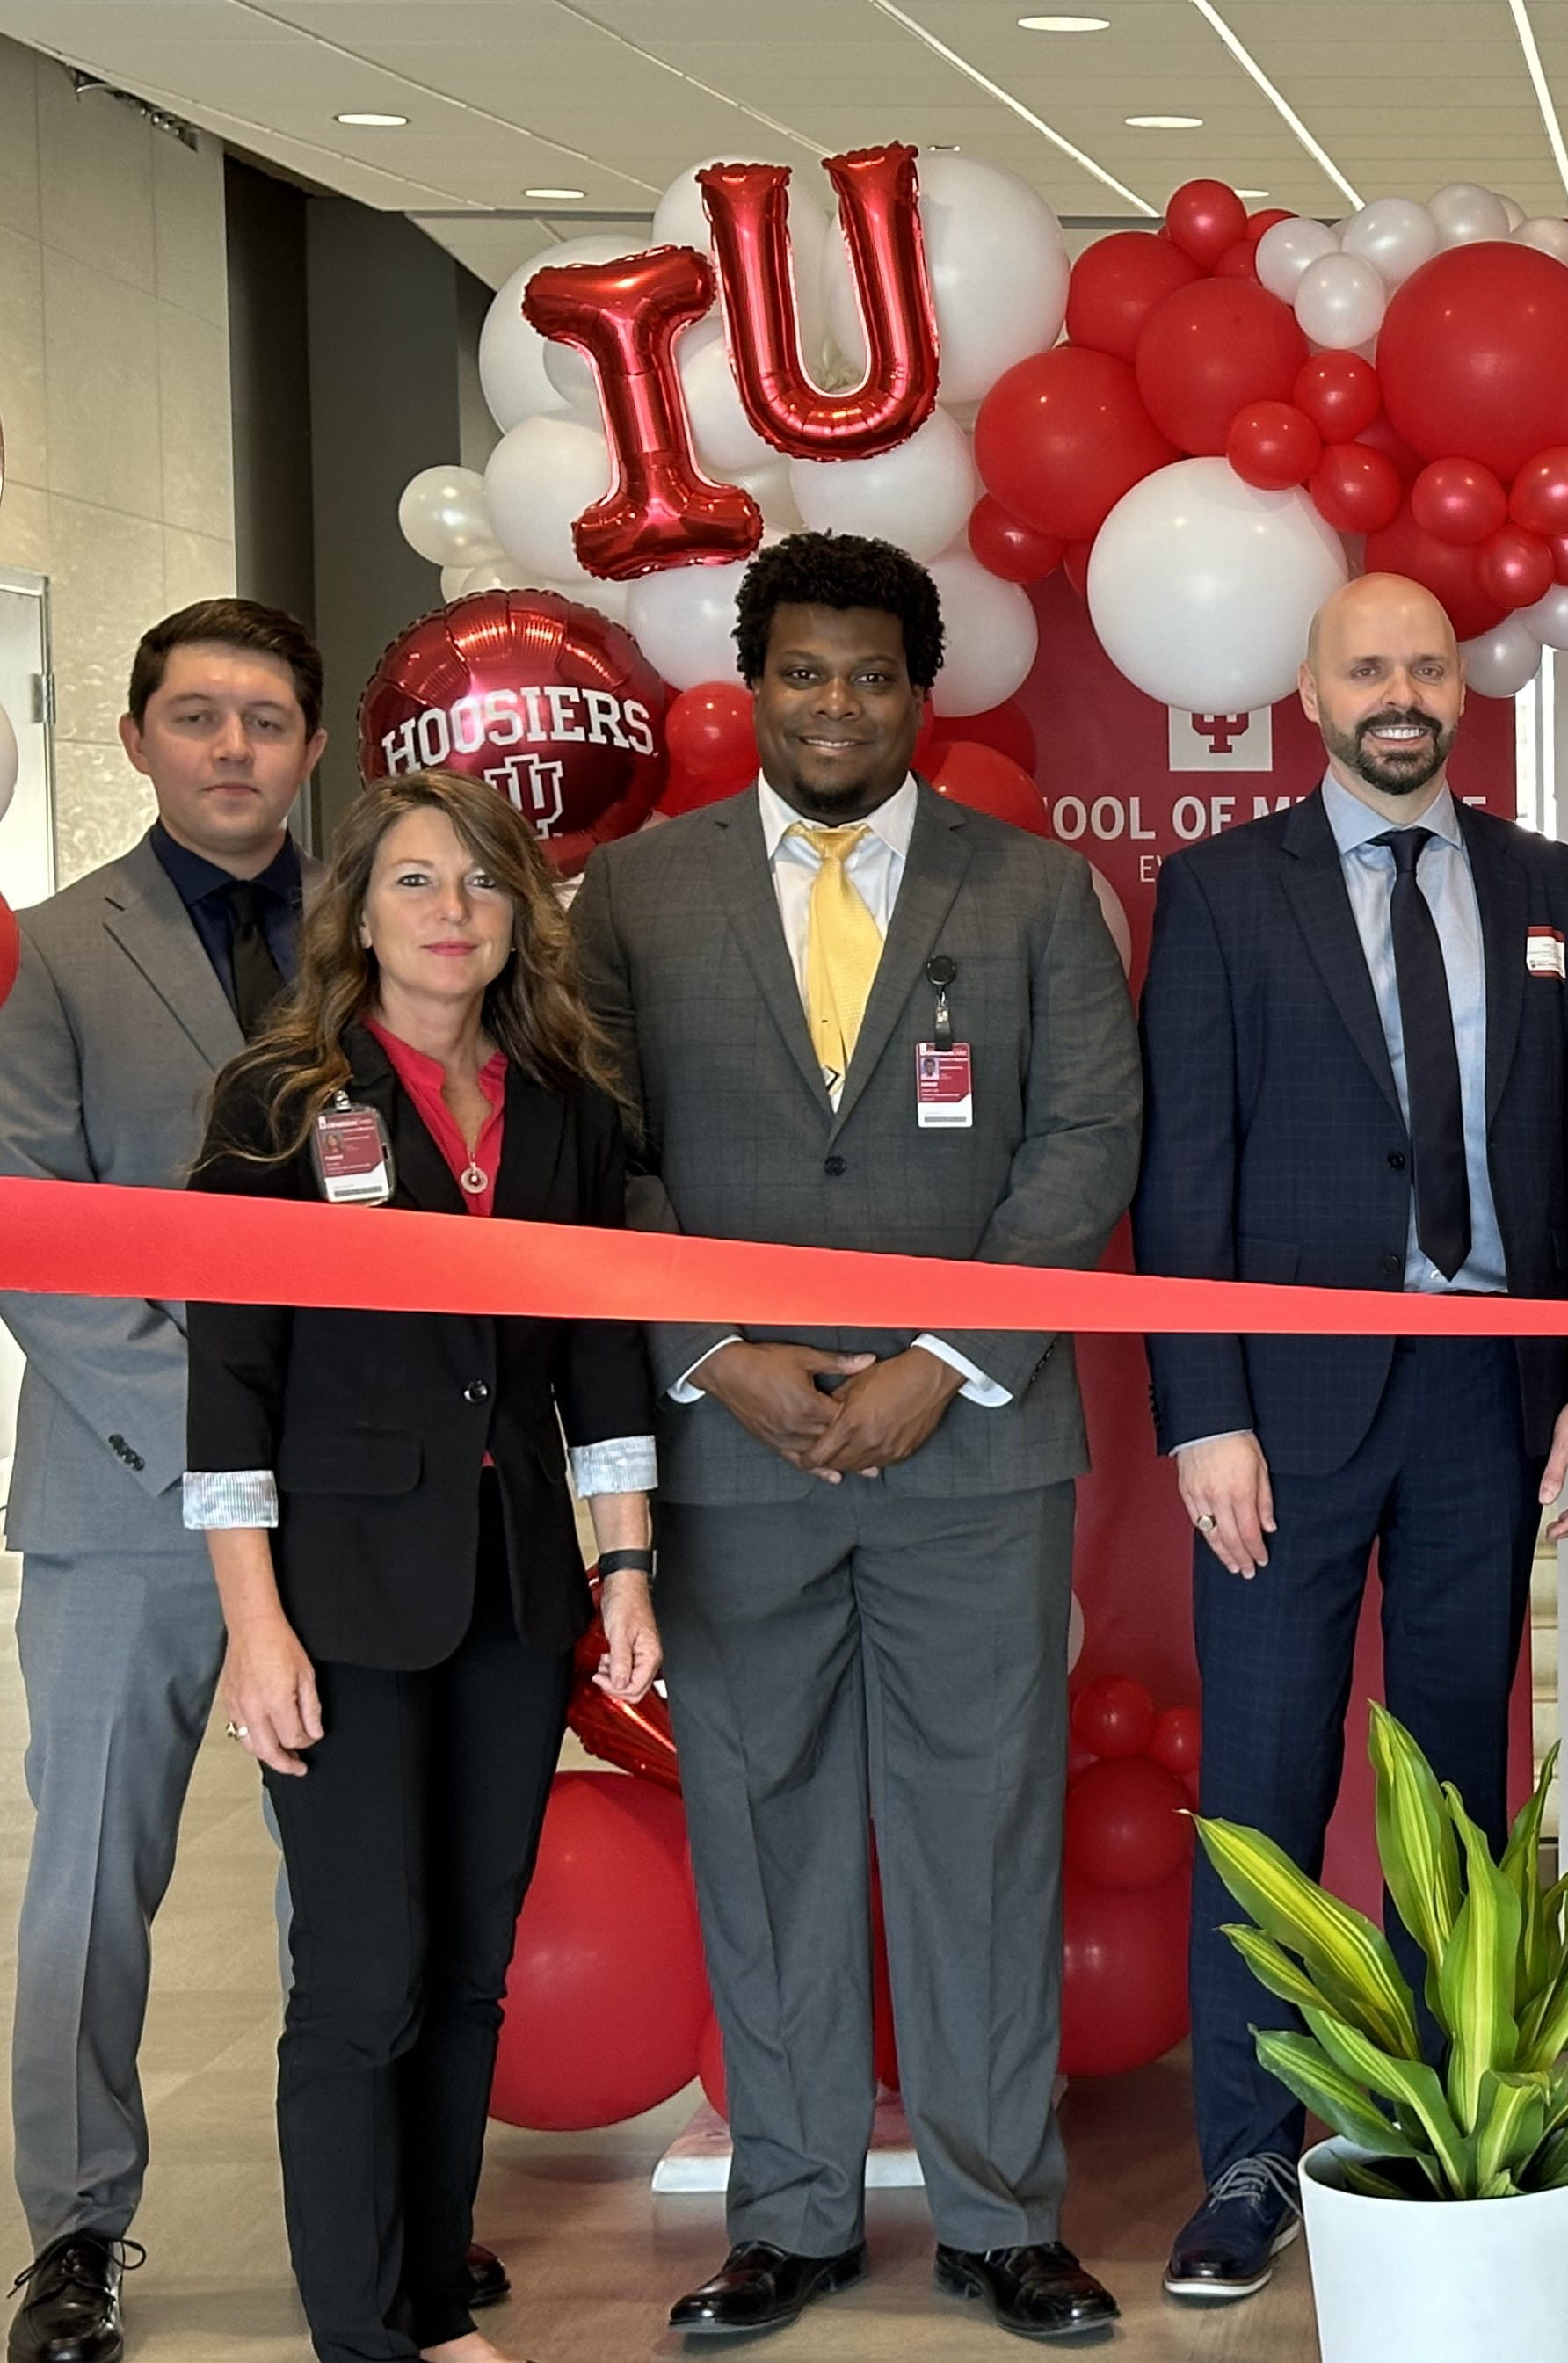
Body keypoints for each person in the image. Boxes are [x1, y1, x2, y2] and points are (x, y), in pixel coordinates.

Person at [572, 533, 1139, 2345]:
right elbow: (605, 1156)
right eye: (804, 672)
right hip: (733, 1447)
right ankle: (792, 2210)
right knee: (764, 1824)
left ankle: (999, 2218)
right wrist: (720, 1351)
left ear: (922, 689)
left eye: (872, 675)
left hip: (970, 1447)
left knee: (982, 1833)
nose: (837, 705)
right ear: (752, 686)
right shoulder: (636, 897)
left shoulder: (1036, 893)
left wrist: (939, 1357)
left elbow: (1083, 1144)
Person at [0, 603, 497, 2363]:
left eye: (268, 720)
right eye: (196, 716)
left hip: (365, 1514)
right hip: (123, 1496)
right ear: (131, 739)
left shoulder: (396, 939)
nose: (233, 748)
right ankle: (75, 2227)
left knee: (345, 1887)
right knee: (93, 1880)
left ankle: (358, 2224)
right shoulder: (46, 958)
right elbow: (33, 1235)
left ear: (312, 753)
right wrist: (235, 1443)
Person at [1138, 573, 1568, 2305]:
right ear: (1312, 688)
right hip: (1281, 1409)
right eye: (1371, 666)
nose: (1403, 691)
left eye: (1428, 664)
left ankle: (1444, 2124)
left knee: (1457, 1784)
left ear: (1461, 688)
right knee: (1267, 1789)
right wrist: (1202, 1411)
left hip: (1485, 1401)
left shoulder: (1549, 888)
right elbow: (1182, 1168)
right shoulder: (1216, 893)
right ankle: (1248, 2160)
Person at [179, 771, 663, 2363]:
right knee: (363, 1976)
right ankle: (357, 2334)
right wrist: (255, 1626)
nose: (451, 911)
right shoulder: (278, 1105)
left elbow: (598, 1364)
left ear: (522, 914)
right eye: (413, 883)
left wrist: (626, 1574)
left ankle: (436, 2297)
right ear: (358, 915)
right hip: (337, 1597)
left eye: (481, 882)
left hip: (516, 1588)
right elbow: (229, 1386)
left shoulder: (570, 1110)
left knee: (467, 1971)